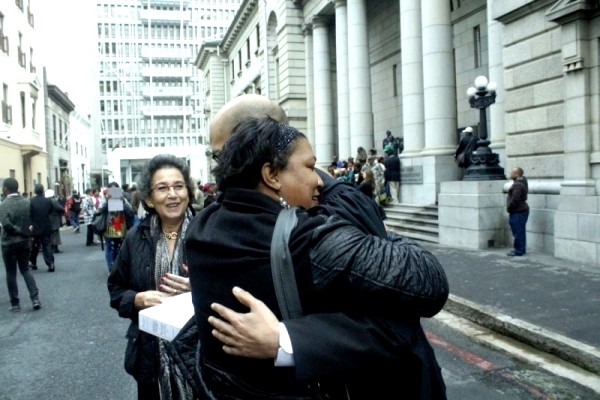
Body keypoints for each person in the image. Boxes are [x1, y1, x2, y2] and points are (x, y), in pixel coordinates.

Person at [186, 116, 448, 398]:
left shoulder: (202, 226)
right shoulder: (308, 239)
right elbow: (430, 282)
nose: (319, 180)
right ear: (272, 175)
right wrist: (384, 234)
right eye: (311, 167)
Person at [108, 154, 196, 400]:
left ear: (188, 192)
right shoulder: (136, 237)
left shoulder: (207, 233)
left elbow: (232, 287)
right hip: (150, 354)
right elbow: (115, 288)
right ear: (148, 198)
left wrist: (198, 289)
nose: (172, 194)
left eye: (179, 186)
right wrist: (137, 299)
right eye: (162, 188)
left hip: (200, 356)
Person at [0, 178, 41, 312]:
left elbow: (6, 225)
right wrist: (25, 232)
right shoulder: (26, 202)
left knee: (11, 273)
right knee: (25, 270)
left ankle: (15, 303)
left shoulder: (3, 205)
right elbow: (31, 220)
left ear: (6, 188)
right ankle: (35, 298)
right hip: (24, 242)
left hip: (8, 243)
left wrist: (18, 231)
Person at [97, 182, 135, 272]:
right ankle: (111, 268)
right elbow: (100, 210)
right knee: (110, 247)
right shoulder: (104, 199)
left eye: (116, 190)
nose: (114, 192)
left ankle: (119, 267)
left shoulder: (123, 199)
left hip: (121, 227)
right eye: (112, 189)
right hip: (109, 227)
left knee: (120, 248)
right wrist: (107, 201)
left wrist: (123, 202)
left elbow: (131, 212)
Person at [29, 184, 62, 272]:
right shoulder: (48, 201)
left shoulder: (31, 201)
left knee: (34, 246)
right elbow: (51, 211)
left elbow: (30, 214)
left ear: (35, 191)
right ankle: (50, 263)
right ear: (43, 191)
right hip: (46, 226)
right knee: (47, 245)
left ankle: (33, 263)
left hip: (35, 227)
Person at [507, 167, 529, 257]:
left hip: (518, 211)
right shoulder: (521, 183)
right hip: (520, 210)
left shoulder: (518, 185)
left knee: (518, 231)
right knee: (519, 230)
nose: (511, 174)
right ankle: (520, 249)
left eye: (512, 172)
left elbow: (515, 199)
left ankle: (519, 250)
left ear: (517, 174)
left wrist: (509, 207)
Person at [44, 189, 65, 253]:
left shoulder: (45, 201)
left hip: (47, 219)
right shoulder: (53, 201)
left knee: (49, 235)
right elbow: (60, 208)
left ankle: (50, 247)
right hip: (54, 219)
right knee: (55, 234)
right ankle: (55, 248)